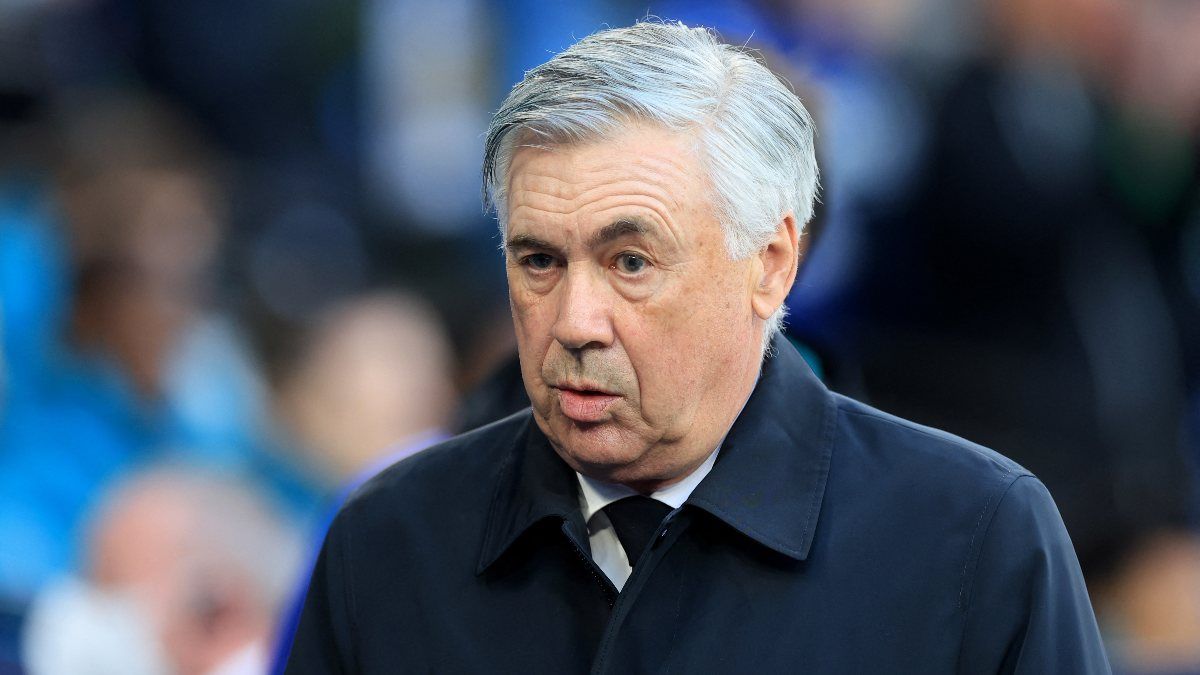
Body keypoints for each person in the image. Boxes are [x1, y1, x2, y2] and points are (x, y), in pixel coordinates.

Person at [285, 22, 1108, 673]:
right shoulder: (388, 542)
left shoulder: (974, 539)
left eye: (630, 262)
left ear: (770, 265)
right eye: (539, 260)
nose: (575, 320)